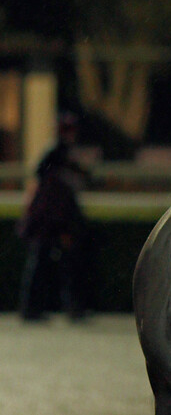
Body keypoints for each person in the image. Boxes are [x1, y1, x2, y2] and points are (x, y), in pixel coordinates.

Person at [17, 113, 91, 321]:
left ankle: (36, 308)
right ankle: (59, 308)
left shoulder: (59, 155)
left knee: (48, 265)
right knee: (56, 265)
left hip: (52, 222)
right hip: (53, 222)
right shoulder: (58, 156)